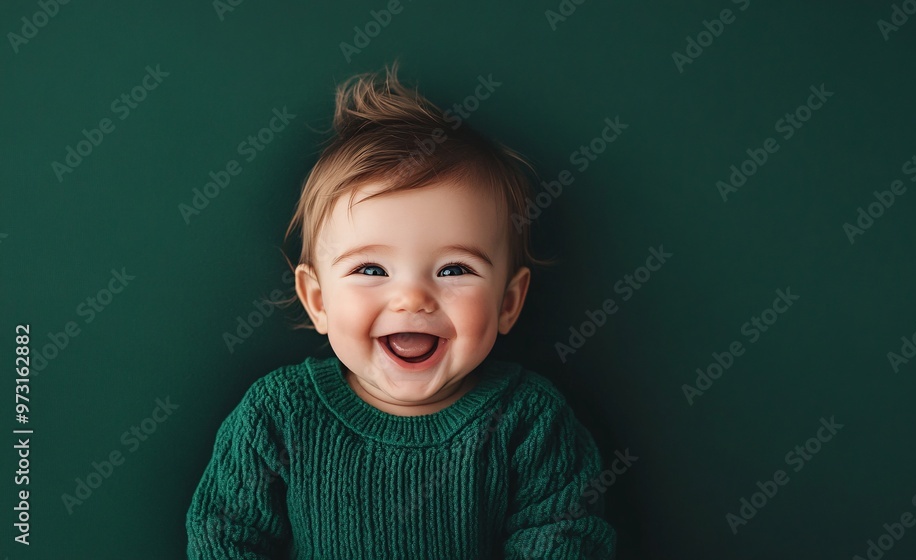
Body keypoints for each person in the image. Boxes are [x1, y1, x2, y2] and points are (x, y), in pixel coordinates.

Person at [186, 62, 616, 559]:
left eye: (454, 270)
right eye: (371, 269)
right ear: (319, 300)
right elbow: (225, 536)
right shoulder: (278, 415)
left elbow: (565, 538)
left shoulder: (529, 421)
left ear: (508, 302)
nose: (412, 299)